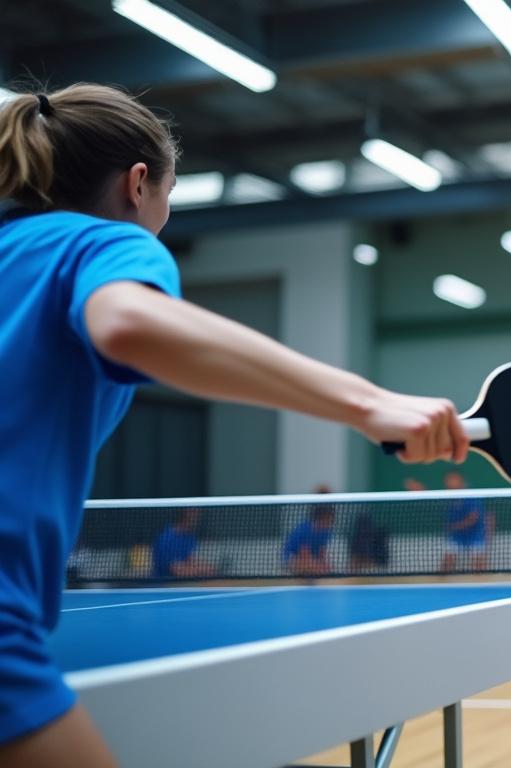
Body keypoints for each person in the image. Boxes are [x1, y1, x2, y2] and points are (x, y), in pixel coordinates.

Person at [0, 84, 469, 766]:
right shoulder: (101, 241)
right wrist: (368, 403)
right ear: (138, 184)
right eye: (169, 193)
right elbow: (126, 322)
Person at [441, 471, 489, 572]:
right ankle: (441, 581)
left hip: (475, 535)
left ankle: (482, 581)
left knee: (479, 567)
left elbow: (474, 517)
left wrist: (455, 526)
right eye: (448, 480)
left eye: (452, 479)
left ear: (460, 480)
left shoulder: (470, 495)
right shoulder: (448, 495)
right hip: (456, 536)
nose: (449, 482)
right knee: (446, 564)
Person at [151, 508, 214, 579]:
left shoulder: (191, 537)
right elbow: (178, 571)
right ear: (185, 513)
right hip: (162, 583)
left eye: (198, 513)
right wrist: (200, 571)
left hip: (183, 582)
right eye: (194, 512)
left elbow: (193, 561)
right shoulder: (166, 538)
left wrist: (203, 568)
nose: (198, 517)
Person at [283, 504, 336, 577]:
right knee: (308, 566)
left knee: (325, 568)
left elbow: (321, 552)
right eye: (329, 519)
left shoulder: (327, 532)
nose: (331, 522)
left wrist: (324, 565)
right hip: (294, 557)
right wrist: (317, 566)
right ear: (322, 518)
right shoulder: (305, 530)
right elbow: (304, 554)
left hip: (312, 559)